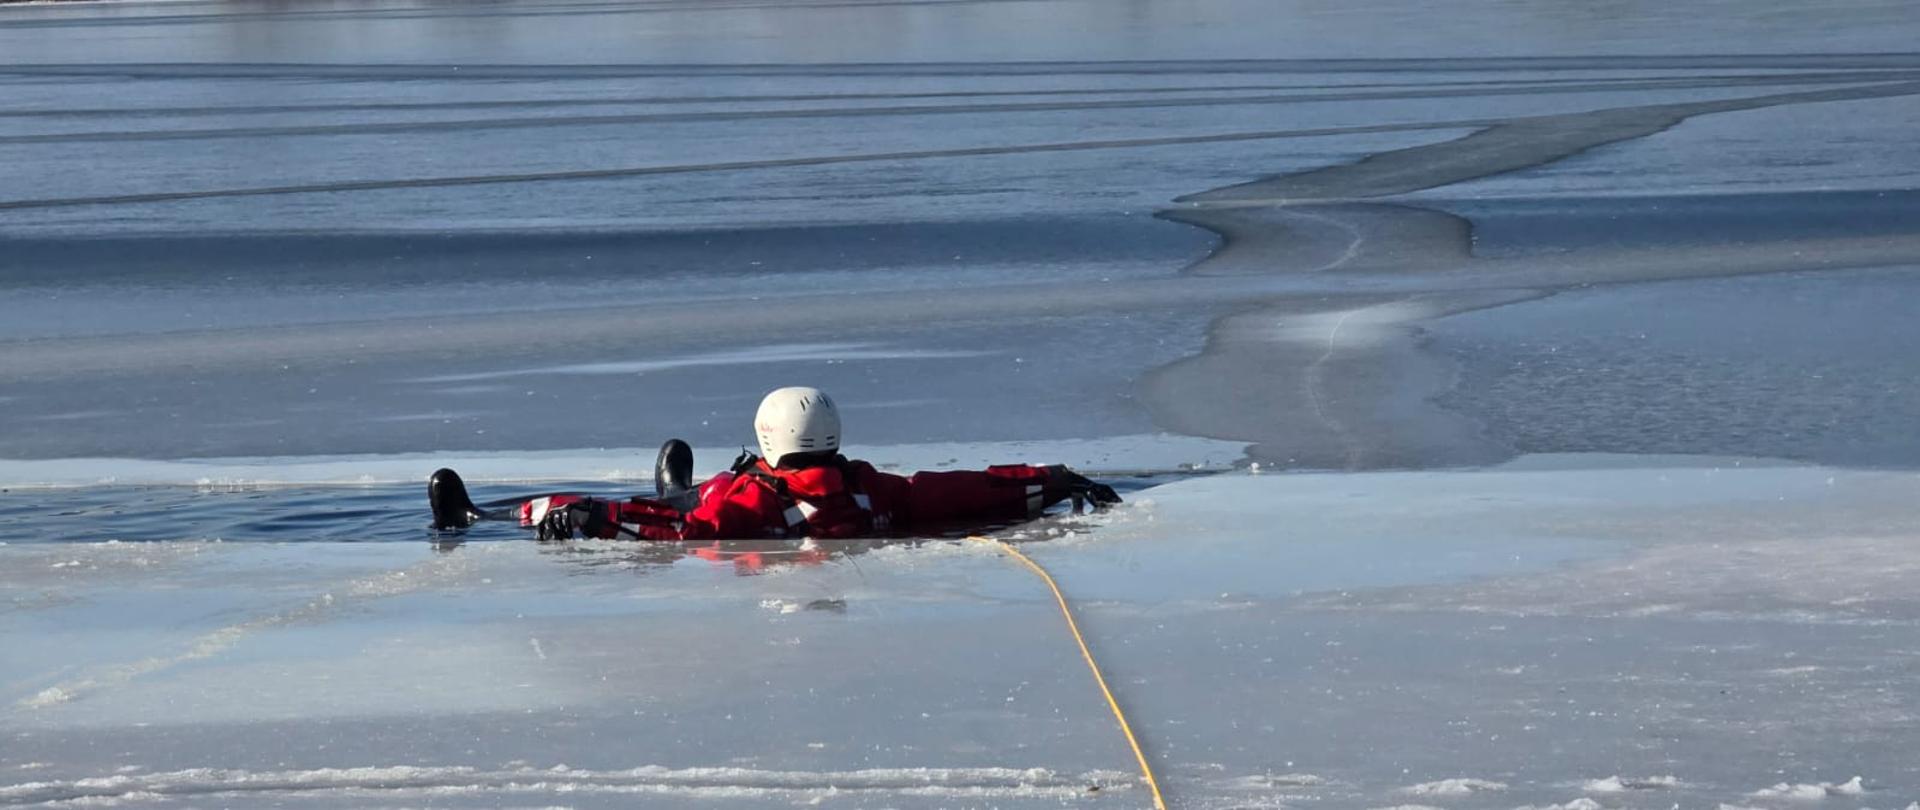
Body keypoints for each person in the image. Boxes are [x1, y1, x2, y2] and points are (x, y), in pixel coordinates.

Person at [429, 386, 1121, 540]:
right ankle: (678, 485)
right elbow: (960, 492)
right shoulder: (870, 487)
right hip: (729, 493)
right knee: (688, 492)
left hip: (714, 501)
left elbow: (685, 531)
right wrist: (1050, 481)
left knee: (680, 501)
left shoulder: (751, 505)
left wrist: (577, 513)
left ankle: (473, 512)